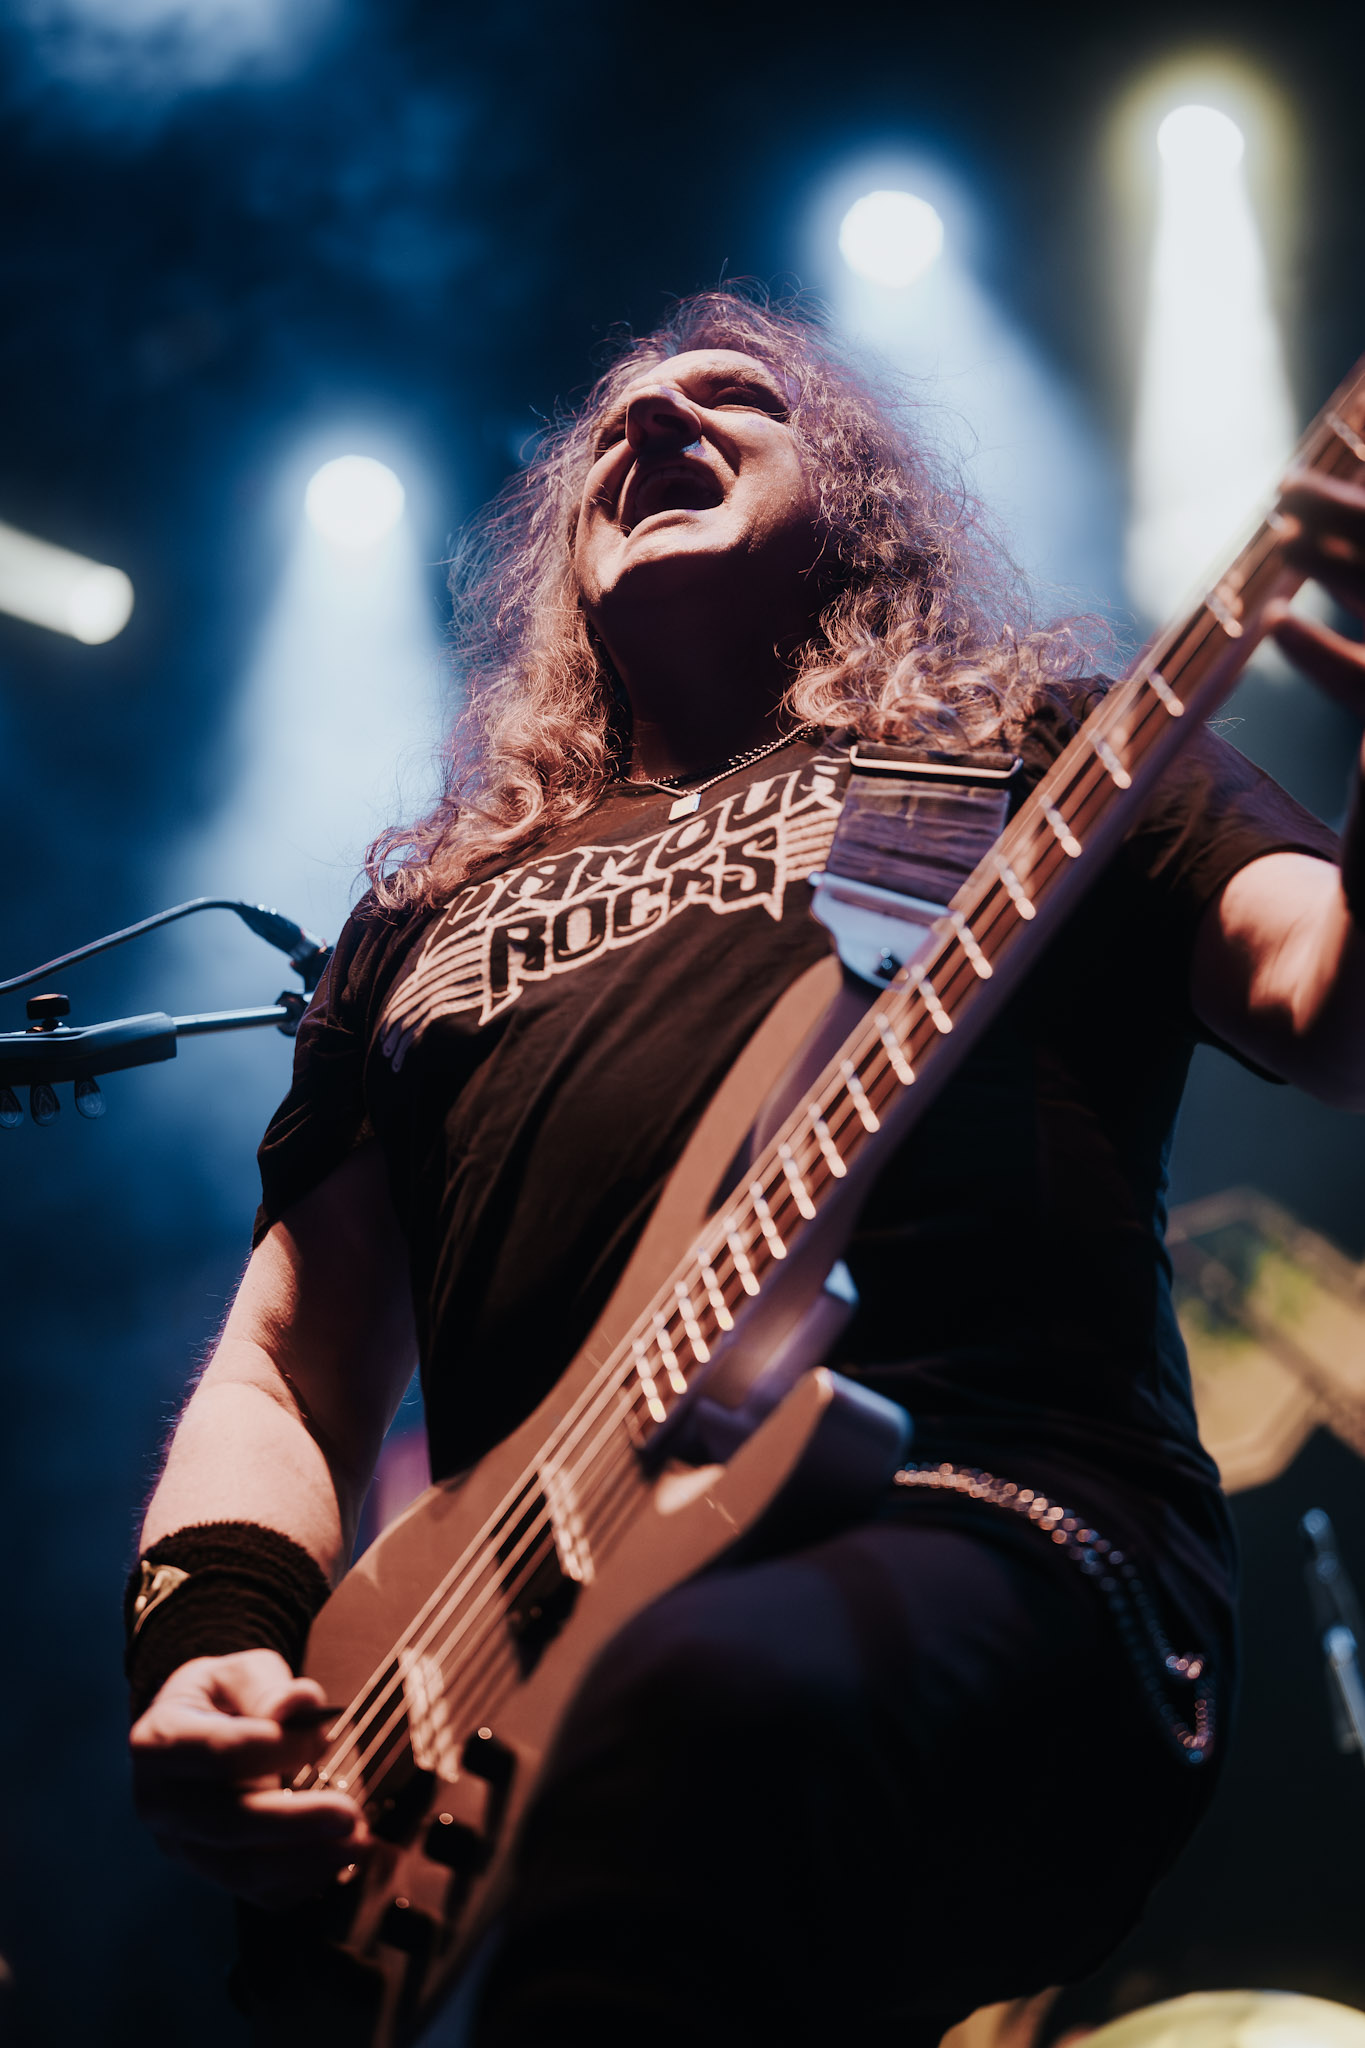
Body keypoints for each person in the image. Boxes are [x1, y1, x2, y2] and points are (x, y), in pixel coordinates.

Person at [127, 292, 1365, 2047]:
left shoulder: (1033, 747)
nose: (650, 418)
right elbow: (286, 1358)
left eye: (732, 394)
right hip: (503, 1661)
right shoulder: (421, 911)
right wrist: (212, 1649)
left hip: (996, 1528)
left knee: (702, 1710)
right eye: (611, 421)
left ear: (856, 501)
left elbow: (1329, 1008)